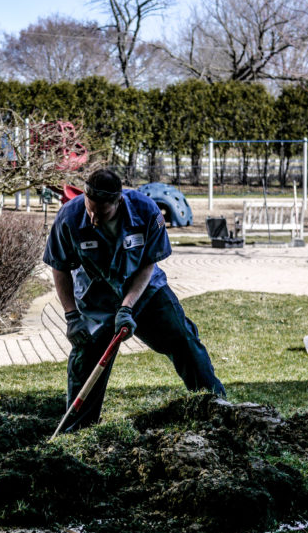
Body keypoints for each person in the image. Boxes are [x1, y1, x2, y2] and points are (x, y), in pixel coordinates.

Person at [43, 168, 226, 432]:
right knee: (86, 360)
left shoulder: (145, 211)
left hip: (146, 293)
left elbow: (148, 263)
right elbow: (59, 267)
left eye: (101, 213)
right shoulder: (69, 217)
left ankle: (215, 405)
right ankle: (78, 431)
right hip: (96, 299)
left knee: (183, 340)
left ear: (118, 202)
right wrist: (72, 316)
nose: (93, 219)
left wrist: (127, 306)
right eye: (89, 209)